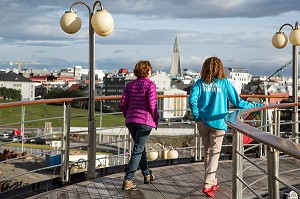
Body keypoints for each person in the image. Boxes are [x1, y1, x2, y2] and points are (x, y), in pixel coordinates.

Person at [188, 56, 263, 197]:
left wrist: (197, 116)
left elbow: (192, 101)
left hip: (202, 123)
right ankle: (208, 183)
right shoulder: (224, 83)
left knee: (208, 153)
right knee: (215, 154)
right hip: (218, 123)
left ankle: (212, 180)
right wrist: (257, 106)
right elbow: (238, 102)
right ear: (220, 68)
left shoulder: (199, 83)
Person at [120, 60, 159, 191]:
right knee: (138, 148)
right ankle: (128, 179)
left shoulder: (129, 85)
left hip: (131, 120)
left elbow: (122, 104)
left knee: (139, 147)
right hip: (144, 121)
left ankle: (147, 174)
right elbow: (152, 105)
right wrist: (156, 118)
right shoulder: (150, 85)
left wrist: (128, 115)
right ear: (148, 71)